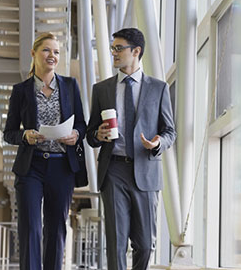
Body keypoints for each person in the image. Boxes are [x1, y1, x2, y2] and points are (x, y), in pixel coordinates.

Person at [86, 28, 176, 270]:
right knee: (115, 245)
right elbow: (90, 134)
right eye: (112, 48)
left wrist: (157, 143)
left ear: (136, 51)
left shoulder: (158, 88)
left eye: (118, 48)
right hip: (113, 170)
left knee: (145, 244)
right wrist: (98, 134)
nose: (113, 53)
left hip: (145, 172)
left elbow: (170, 132)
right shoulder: (102, 89)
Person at [3, 33, 86, 270]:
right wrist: (25, 135)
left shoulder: (70, 86)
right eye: (47, 50)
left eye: (57, 52)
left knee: (56, 227)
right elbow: (9, 132)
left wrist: (76, 135)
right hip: (31, 167)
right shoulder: (21, 90)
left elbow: (81, 123)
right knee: (30, 227)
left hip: (61, 166)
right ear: (34, 53)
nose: (52, 56)